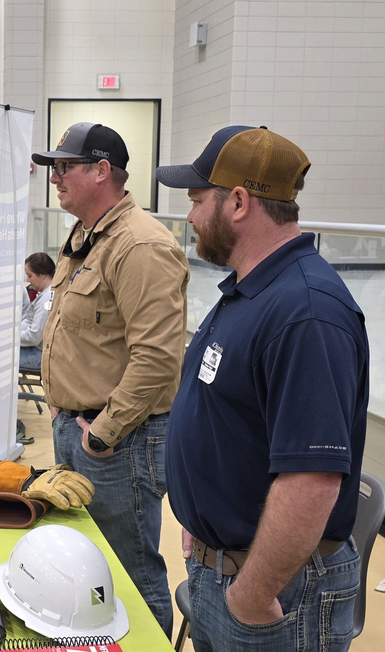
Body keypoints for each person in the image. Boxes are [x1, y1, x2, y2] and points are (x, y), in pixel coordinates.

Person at [158, 126, 368, 652]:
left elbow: (312, 480)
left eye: (196, 200)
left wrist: (252, 595)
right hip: (223, 564)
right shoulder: (252, 289)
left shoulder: (307, 311)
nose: (189, 217)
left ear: (237, 201)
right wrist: (204, 519)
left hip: (272, 592)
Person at [33, 122, 189, 637]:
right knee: (88, 564)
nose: (55, 177)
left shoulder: (141, 245)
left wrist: (102, 431)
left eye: (65, 166)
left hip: (119, 441)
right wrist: (61, 406)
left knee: (130, 574)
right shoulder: (84, 238)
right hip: (77, 429)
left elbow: (157, 358)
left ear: (102, 171)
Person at [19, 252, 54, 370]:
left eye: (29, 275)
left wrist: (9, 338)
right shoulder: (45, 294)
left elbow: (34, 337)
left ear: (42, 274)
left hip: (39, 354)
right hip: (36, 348)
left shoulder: (46, 299)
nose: (28, 280)